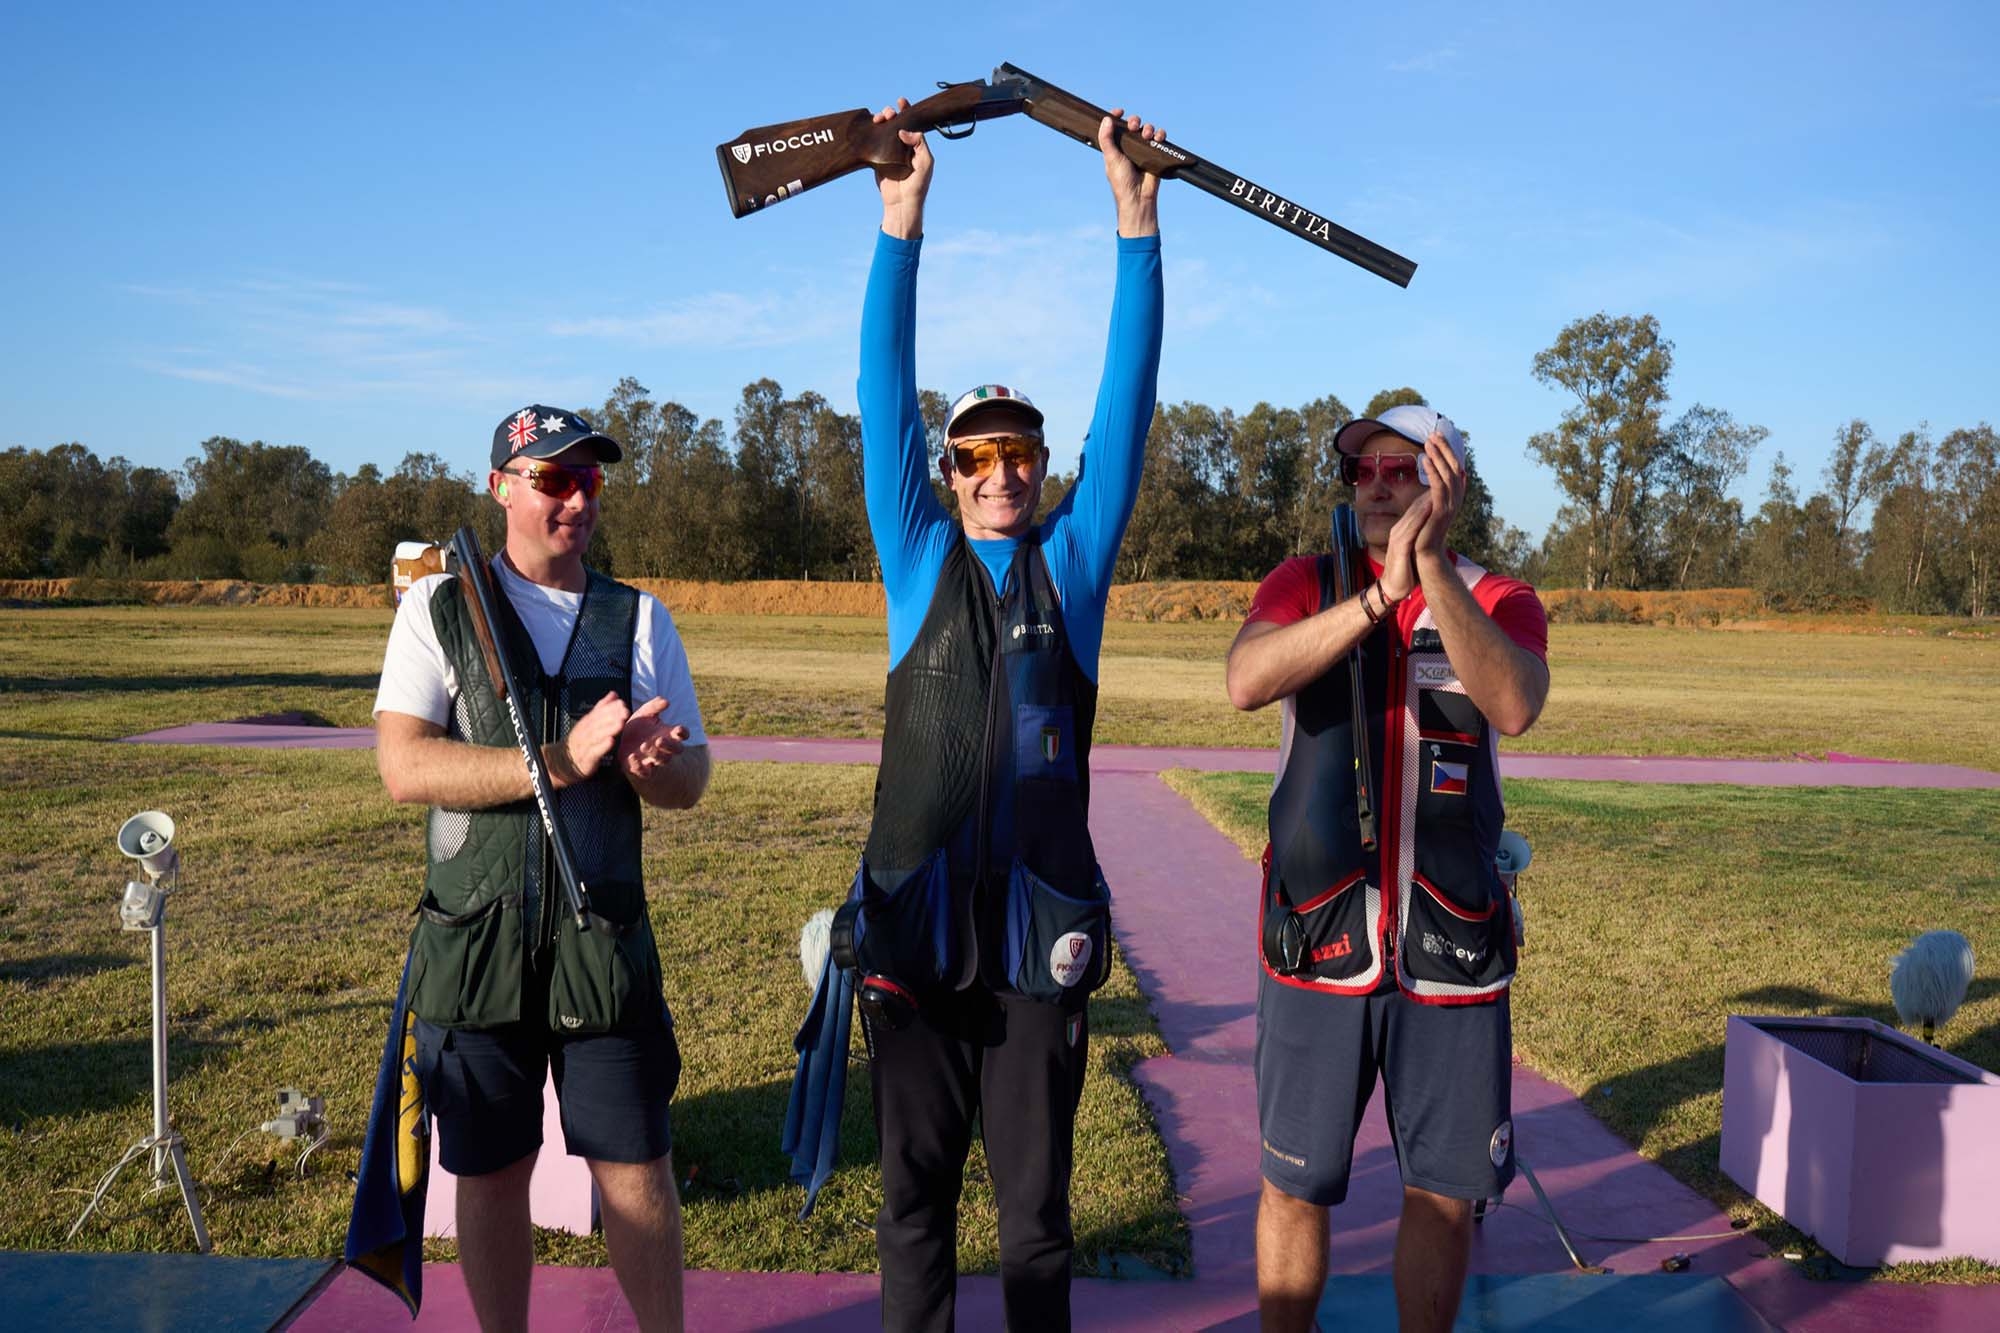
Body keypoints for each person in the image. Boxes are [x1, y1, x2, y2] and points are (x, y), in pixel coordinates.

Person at [842, 97, 1164, 1331]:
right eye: (975, 455)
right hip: (914, 929)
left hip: (1038, 939)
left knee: (1035, 1216)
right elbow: (883, 400)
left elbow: (1122, 419)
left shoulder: (1071, 569)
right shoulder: (916, 559)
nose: (1001, 469)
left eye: (1018, 449)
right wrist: (899, 223)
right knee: (912, 1202)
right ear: (948, 477)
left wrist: (1133, 229)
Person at [371, 405, 711, 1333]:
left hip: (601, 943)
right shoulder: (438, 611)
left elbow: (694, 776)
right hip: (472, 941)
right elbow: (406, 766)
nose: (576, 497)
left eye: (589, 478)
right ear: (501, 488)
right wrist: (557, 762)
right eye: (553, 479)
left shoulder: (639, 619)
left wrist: (658, 767)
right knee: (487, 1171)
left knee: (636, 1166)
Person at [1223, 404, 1550, 1333]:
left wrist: (1432, 570)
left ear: (1445, 481)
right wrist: (1375, 599)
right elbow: (1246, 680)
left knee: (1443, 1193)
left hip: (1450, 946)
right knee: (1293, 1185)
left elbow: (1516, 703)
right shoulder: (1305, 581)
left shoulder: (1498, 596)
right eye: (1362, 470)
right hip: (1317, 936)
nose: (1376, 485)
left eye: (1400, 468)